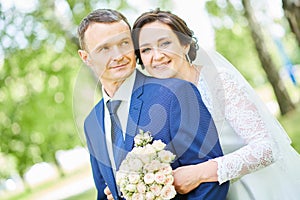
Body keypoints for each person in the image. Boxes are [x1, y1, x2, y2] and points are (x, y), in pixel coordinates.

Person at [132, 9, 300, 200]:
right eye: (146, 49)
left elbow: (267, 148)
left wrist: (199, 173)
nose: (157, 55)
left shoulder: (218, 81)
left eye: (165, 43)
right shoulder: (158, 105)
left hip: (260, 189)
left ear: (185, 44)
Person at [77, 9, 229, 200]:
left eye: (124, 43)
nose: (118, 56)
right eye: (104, 49)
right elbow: (103, 192)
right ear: (86, 57)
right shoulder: (92, 123)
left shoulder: (176, 93)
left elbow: (211, 181)